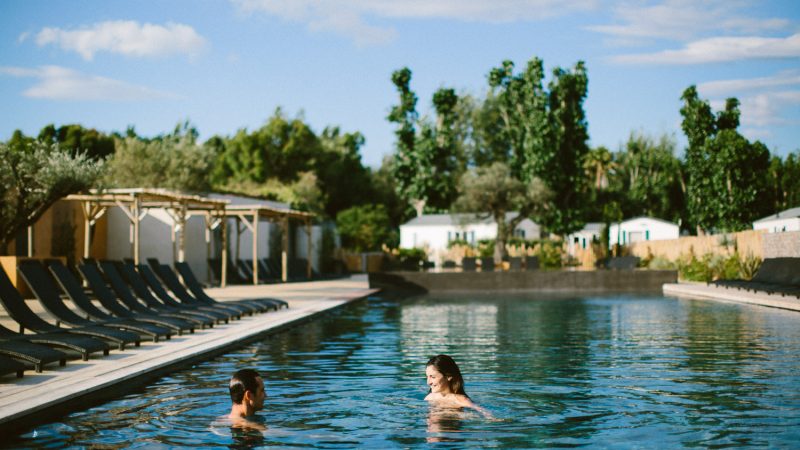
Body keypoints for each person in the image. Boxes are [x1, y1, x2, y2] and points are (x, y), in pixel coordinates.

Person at [424, 354, 491, 417]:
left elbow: (485, 413)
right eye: (427, 377)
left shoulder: (460, 400)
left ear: (448, 376)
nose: (428, 382)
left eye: (433, 377)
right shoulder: (430, 397)